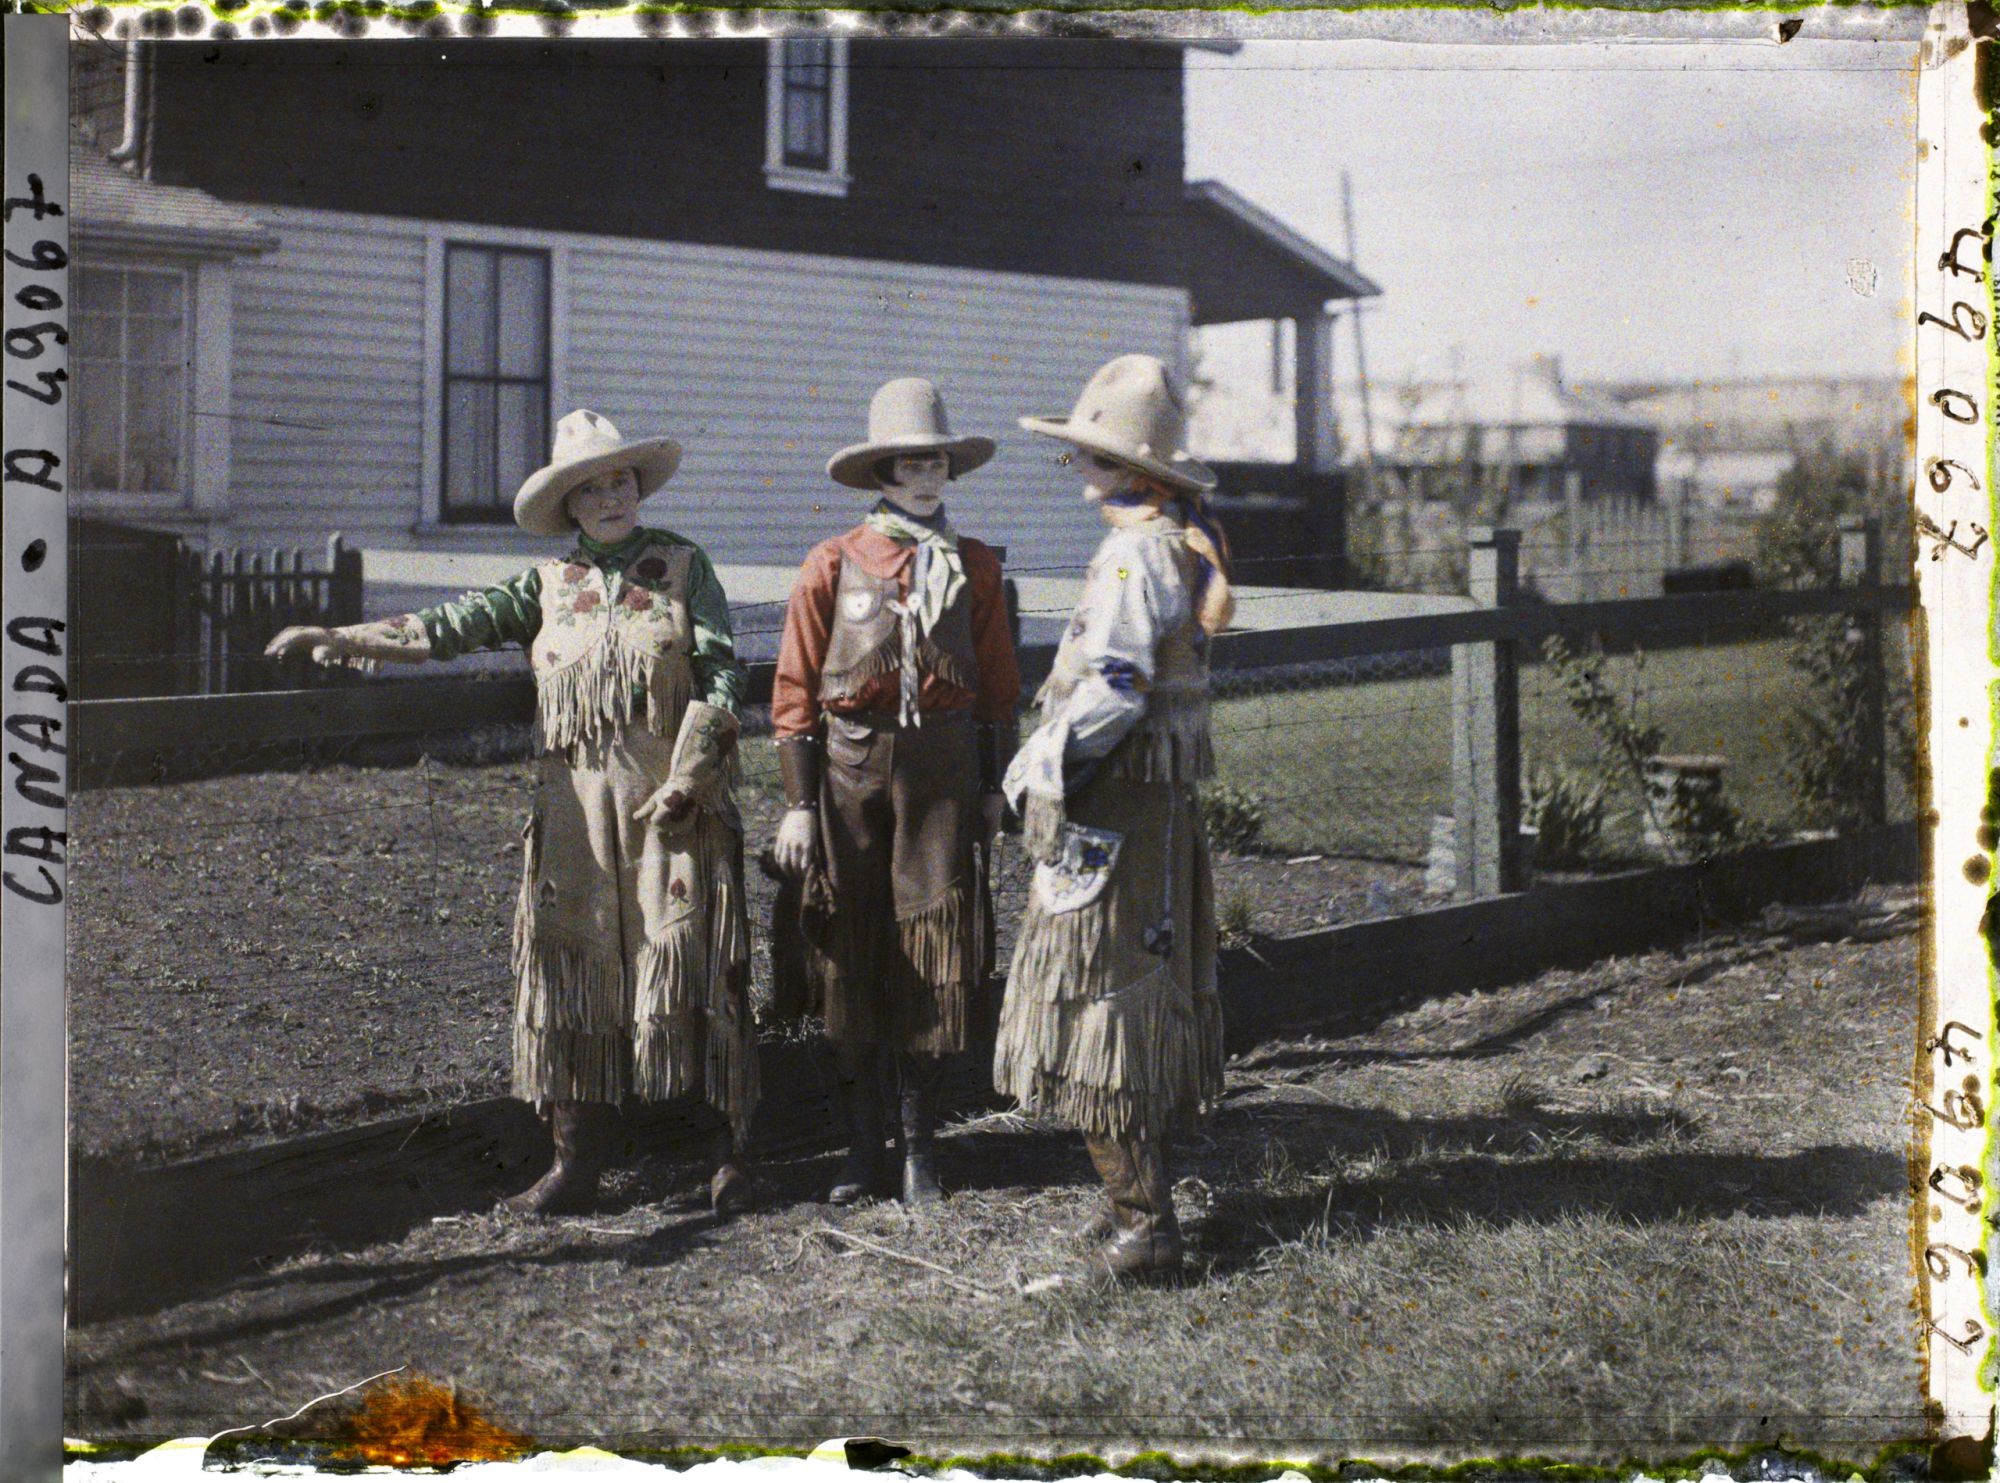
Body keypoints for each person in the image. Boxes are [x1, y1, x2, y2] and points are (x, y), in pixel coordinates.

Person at [266, 409, 757, 1218]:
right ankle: (577, 1165)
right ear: (567, 504)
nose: (610, 497)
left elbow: (721, 674)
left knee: (694, 961)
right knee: (576, 976)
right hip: (576, 820)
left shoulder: (683, 567)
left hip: (670, 807)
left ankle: (727, 1155)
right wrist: (338, 634)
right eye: (591, 486)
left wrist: (692, 777)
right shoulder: (545, 587)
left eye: (622, 480)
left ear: (640, 486)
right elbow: (447, 625)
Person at [995, 354, 1234, 1279]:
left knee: (1105, 994)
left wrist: (1037, 767)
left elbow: (1118, 688)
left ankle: (1145, 1227)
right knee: (1125, 984)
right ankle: (1134, 1206)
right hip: (1142, 805)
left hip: (1112, 801)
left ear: (1129, 470)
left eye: (1086, 456)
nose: (1076, 471)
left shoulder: (1138, 554)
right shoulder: (1170, 542)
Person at [769, 377, 1021, 1205]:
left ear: (951, 470)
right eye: (908, 464)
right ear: (880, 472)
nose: (923, 478)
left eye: (936, 463)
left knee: (934, 951)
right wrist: (801, 805)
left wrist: (992, 788)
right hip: (846, 775)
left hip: (943, 776)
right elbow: (795, 689)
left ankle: (920, 1147)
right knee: (852, 951)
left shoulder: (975, 565)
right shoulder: (833, 562)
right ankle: (860, 1149)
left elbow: (998, 687)